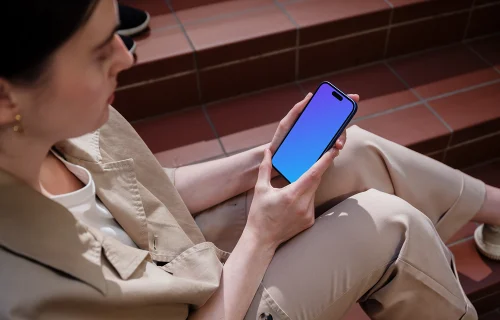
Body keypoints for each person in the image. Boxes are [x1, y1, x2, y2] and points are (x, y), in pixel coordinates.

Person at [1, 1, 500, 319]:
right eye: (96, 52)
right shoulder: (24, 291)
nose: (126, 57)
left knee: (348, 155)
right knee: (391, 225)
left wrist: (264, 161)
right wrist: (262, 235)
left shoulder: (58, 125)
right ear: (6, 99)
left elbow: (145, 185)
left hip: (173, 256)